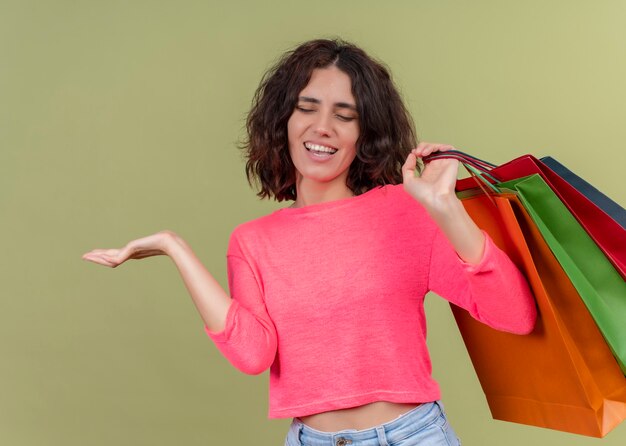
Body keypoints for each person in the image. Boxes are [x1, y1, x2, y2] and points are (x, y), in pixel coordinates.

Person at [82, 38, 537, 445]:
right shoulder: (253, 241)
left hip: (413, 436)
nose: (323, 127)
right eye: (307, 107)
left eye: (345, 115)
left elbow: (514, 315)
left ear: (365, 134)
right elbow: (253, 354)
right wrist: (173, 247)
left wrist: (446, 208)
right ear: (283, 118)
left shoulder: (404, 211)